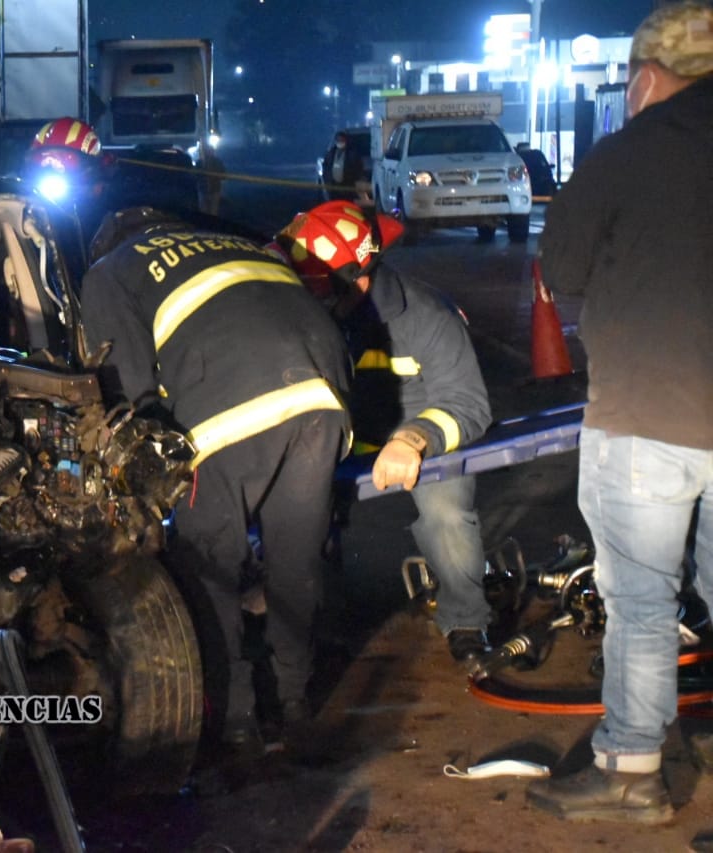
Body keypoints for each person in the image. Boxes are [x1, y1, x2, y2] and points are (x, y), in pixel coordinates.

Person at [524, 1, 713, 825]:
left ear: (644, 78)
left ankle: (633, 772)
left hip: (647, 414)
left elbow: (560, 267)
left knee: (642, 599)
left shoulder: (629, 151)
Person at [78, 206, 352, 754]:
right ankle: (296, 700)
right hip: (323, 397)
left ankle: (236, 720)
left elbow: (126, 386)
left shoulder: (109, 268)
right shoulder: (235, 244)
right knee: (295, 558)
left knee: (212, 568)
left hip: (226, 417)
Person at [274, 201, 495, 673]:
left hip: (414, 439)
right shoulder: (297, 309)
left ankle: (466, 622)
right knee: (296, 513)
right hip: (335, 438)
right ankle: (318, 626)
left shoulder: (426, 315)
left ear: (359, 279)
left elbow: (469, 404)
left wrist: (413, 439)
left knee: (447, 511)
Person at [321, 132, 363, 201]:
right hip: (333, 187)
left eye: (342, 140)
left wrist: (355, 178)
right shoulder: (331, 153)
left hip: (347, 187)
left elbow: (358, 167)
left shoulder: (352, 154)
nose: (340, 142)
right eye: (338, 140)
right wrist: (327, 180)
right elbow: (326, 167)